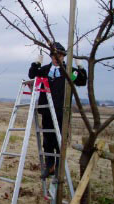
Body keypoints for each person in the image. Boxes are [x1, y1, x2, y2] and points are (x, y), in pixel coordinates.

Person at [28, 42, 87, 179]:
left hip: (62, 111)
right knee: (47, 140)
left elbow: (82, 81)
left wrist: (80, 66)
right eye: (54, 55)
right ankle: (49, 166)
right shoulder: (44, 70)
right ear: (51, 56)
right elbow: (32, 74)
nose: (57, 57)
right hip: (47, 110)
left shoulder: (69, 71)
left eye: (59, 55)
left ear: (63, 56)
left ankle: (59, 167)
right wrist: (37, 62)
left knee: (60, 140)